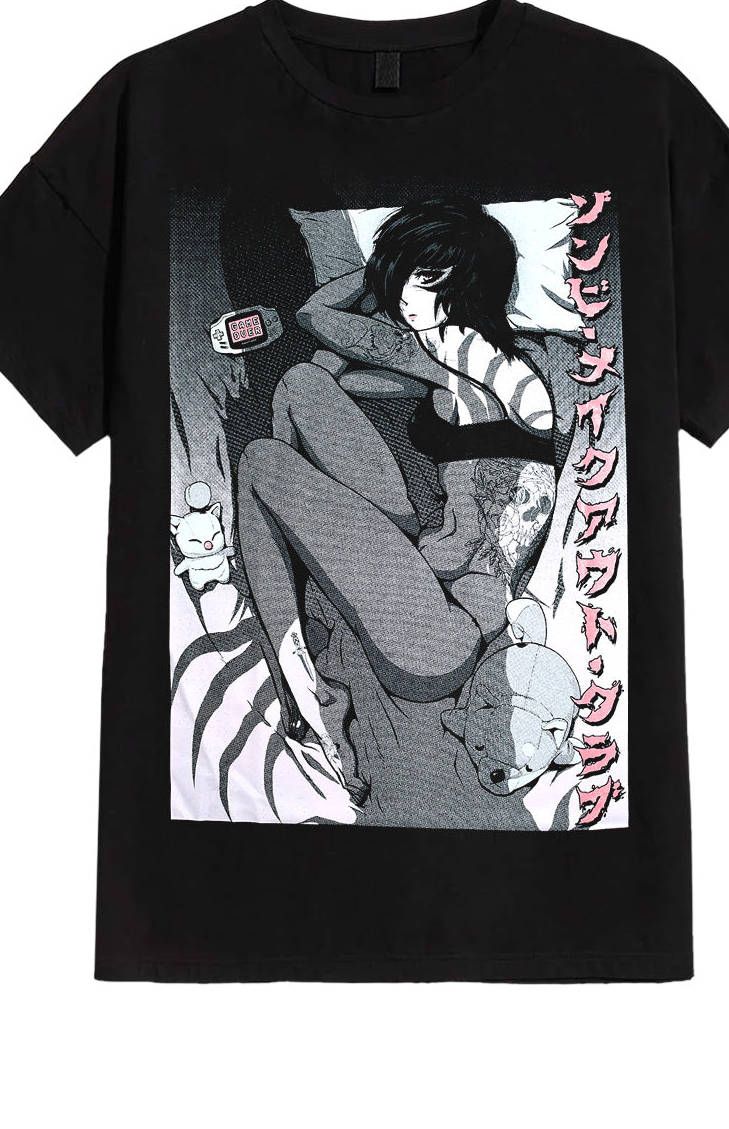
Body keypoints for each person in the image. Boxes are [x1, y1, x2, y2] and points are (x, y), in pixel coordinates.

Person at [236, 201, 583, 823]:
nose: (403, 292)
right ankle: (314, 585)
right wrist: (390, 287)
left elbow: (317, 316)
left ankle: (305, 691)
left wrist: (378, 280)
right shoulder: (460, 359)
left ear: (466, 288)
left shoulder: (468, 354)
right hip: (425, 567)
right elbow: (337, 367)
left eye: (423, 278)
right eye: (403, 273)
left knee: (262, 462)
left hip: (442, 631)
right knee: (301, 389)